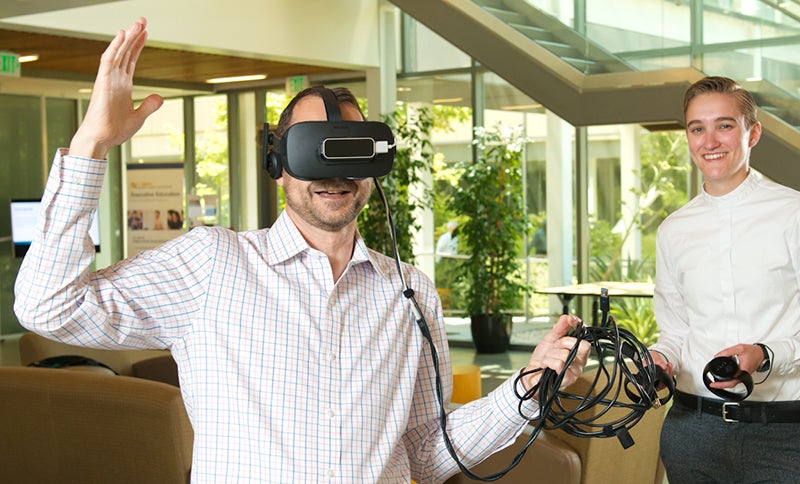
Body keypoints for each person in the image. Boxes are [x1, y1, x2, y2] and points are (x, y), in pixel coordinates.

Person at [13, 18, 591, 483]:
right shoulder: (213, 263)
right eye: (315, 151)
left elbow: (426, 454)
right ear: (278, 166)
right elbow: (46, 304)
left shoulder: (409, 292)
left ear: (372, 168)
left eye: (352, 151)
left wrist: (530, 385)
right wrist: (91, 145)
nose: (334, 172)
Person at [648, 76, 800, 483]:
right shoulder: (673, 230)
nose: (710, 141)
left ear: (753, 132)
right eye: (697, 128)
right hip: (691, 432)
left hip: (781, 436)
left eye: (724, 125)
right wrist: (661, 357)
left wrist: (765, 354)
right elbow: (674, 331)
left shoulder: (798, 212)